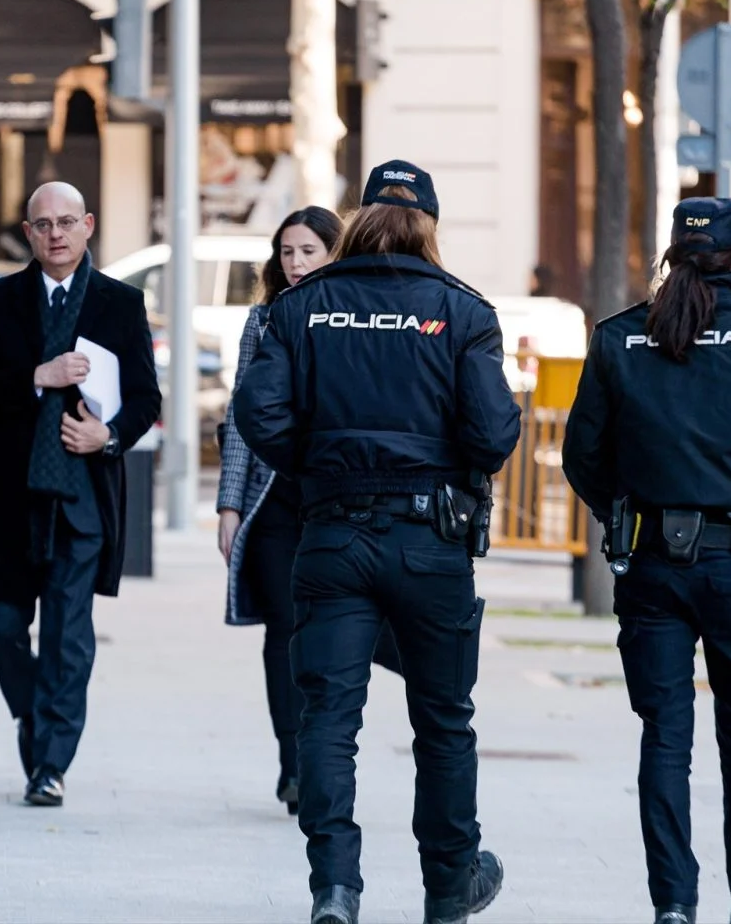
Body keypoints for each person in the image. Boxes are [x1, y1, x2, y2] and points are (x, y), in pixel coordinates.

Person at [234, 161, 519, 924]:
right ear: (428, 224)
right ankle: (449, 887)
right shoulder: (462, 312)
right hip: (432, 540)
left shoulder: (305, 306)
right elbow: (494, 435)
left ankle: (335, 886)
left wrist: (317, 464)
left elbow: (256, 413)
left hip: (331, 536)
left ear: (360, 219)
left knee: (327, 716)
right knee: (444, 718)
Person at [561, 198, 731, 924]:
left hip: (651, 564)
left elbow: (582, 454)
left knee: (665, 738)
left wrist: (625, 510)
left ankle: (673, 905)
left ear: (672, 258)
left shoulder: (621, 337)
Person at [0, 182, 162, 807]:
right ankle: (34, 714)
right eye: (44, 225)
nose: (57, 234)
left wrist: (108, 436)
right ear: (29, 232)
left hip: (83, 498)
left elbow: (146, 399)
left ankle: (51, 765)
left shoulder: (121, 304)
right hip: (7, 496)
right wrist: (36, 376)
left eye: (68, 221)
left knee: (69, 636)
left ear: (89, 225)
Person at [216, 206, 403, 819]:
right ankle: (294, 762)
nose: (295, 264)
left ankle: (324, 754)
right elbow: (241, 419)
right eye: (287, 252)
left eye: (308, 252)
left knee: (338, 630)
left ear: (335, 254)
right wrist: (230, 504)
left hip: (340, 500)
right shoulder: (263, 320)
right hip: (275, 504)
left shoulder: (355, 318)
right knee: (283, 632)